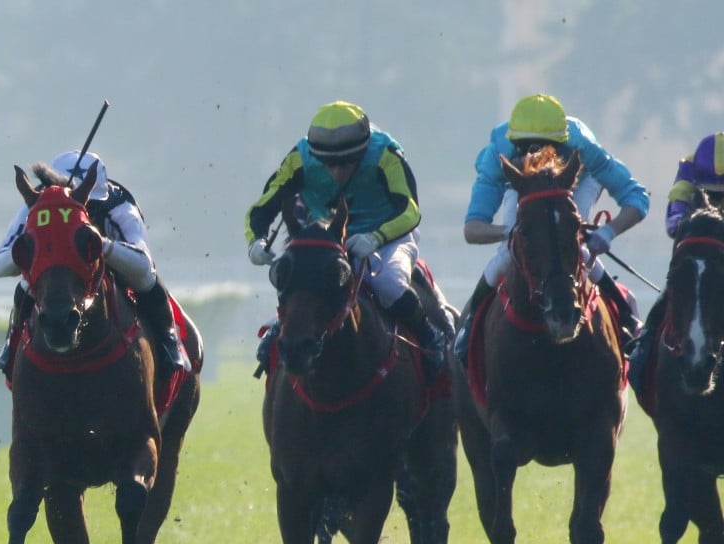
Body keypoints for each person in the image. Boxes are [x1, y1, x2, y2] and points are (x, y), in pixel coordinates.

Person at [245, 100, 448, 381]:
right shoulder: (299, 159)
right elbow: (262, 207)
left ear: (363, 150)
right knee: (300, 278)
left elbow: (410, 210)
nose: (338, 171)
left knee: (388, 282)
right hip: (330, 237)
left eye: (347, 162)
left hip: (390, 233)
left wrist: (376, 237)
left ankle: (430, 336)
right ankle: (281, 329)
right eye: (329, 164)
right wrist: (256, 242)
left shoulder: (385, 154)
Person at [455, 93, 649, 365]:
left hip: (577, 180)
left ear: (563, 143)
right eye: (526, 149)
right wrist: (510, 233)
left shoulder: (583, 147)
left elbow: (637, 198)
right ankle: (470, 323)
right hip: (522, 185)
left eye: (547, 148)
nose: (537, 157)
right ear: (514, 146)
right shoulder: (497, 154)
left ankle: (627, 318)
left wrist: (608, 232)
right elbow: (472, 229)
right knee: (508, 252)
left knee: (575, 246)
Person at [0, 150, 191, 379]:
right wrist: (32, 245)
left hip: (109, 263)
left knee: (146, 282)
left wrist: (99, 244)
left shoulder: (121, 207)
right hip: (57, 266)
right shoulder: (37, 205)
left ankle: (168, 341)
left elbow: (143, 265)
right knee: (25, 286)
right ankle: (13, 342)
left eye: (87, 204)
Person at [627, 131, 724, 394]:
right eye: (712, 196)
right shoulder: (689, 170)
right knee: (662, 309)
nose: (718, 203)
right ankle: (641, 360)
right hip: (694, 269)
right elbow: (674, 222)